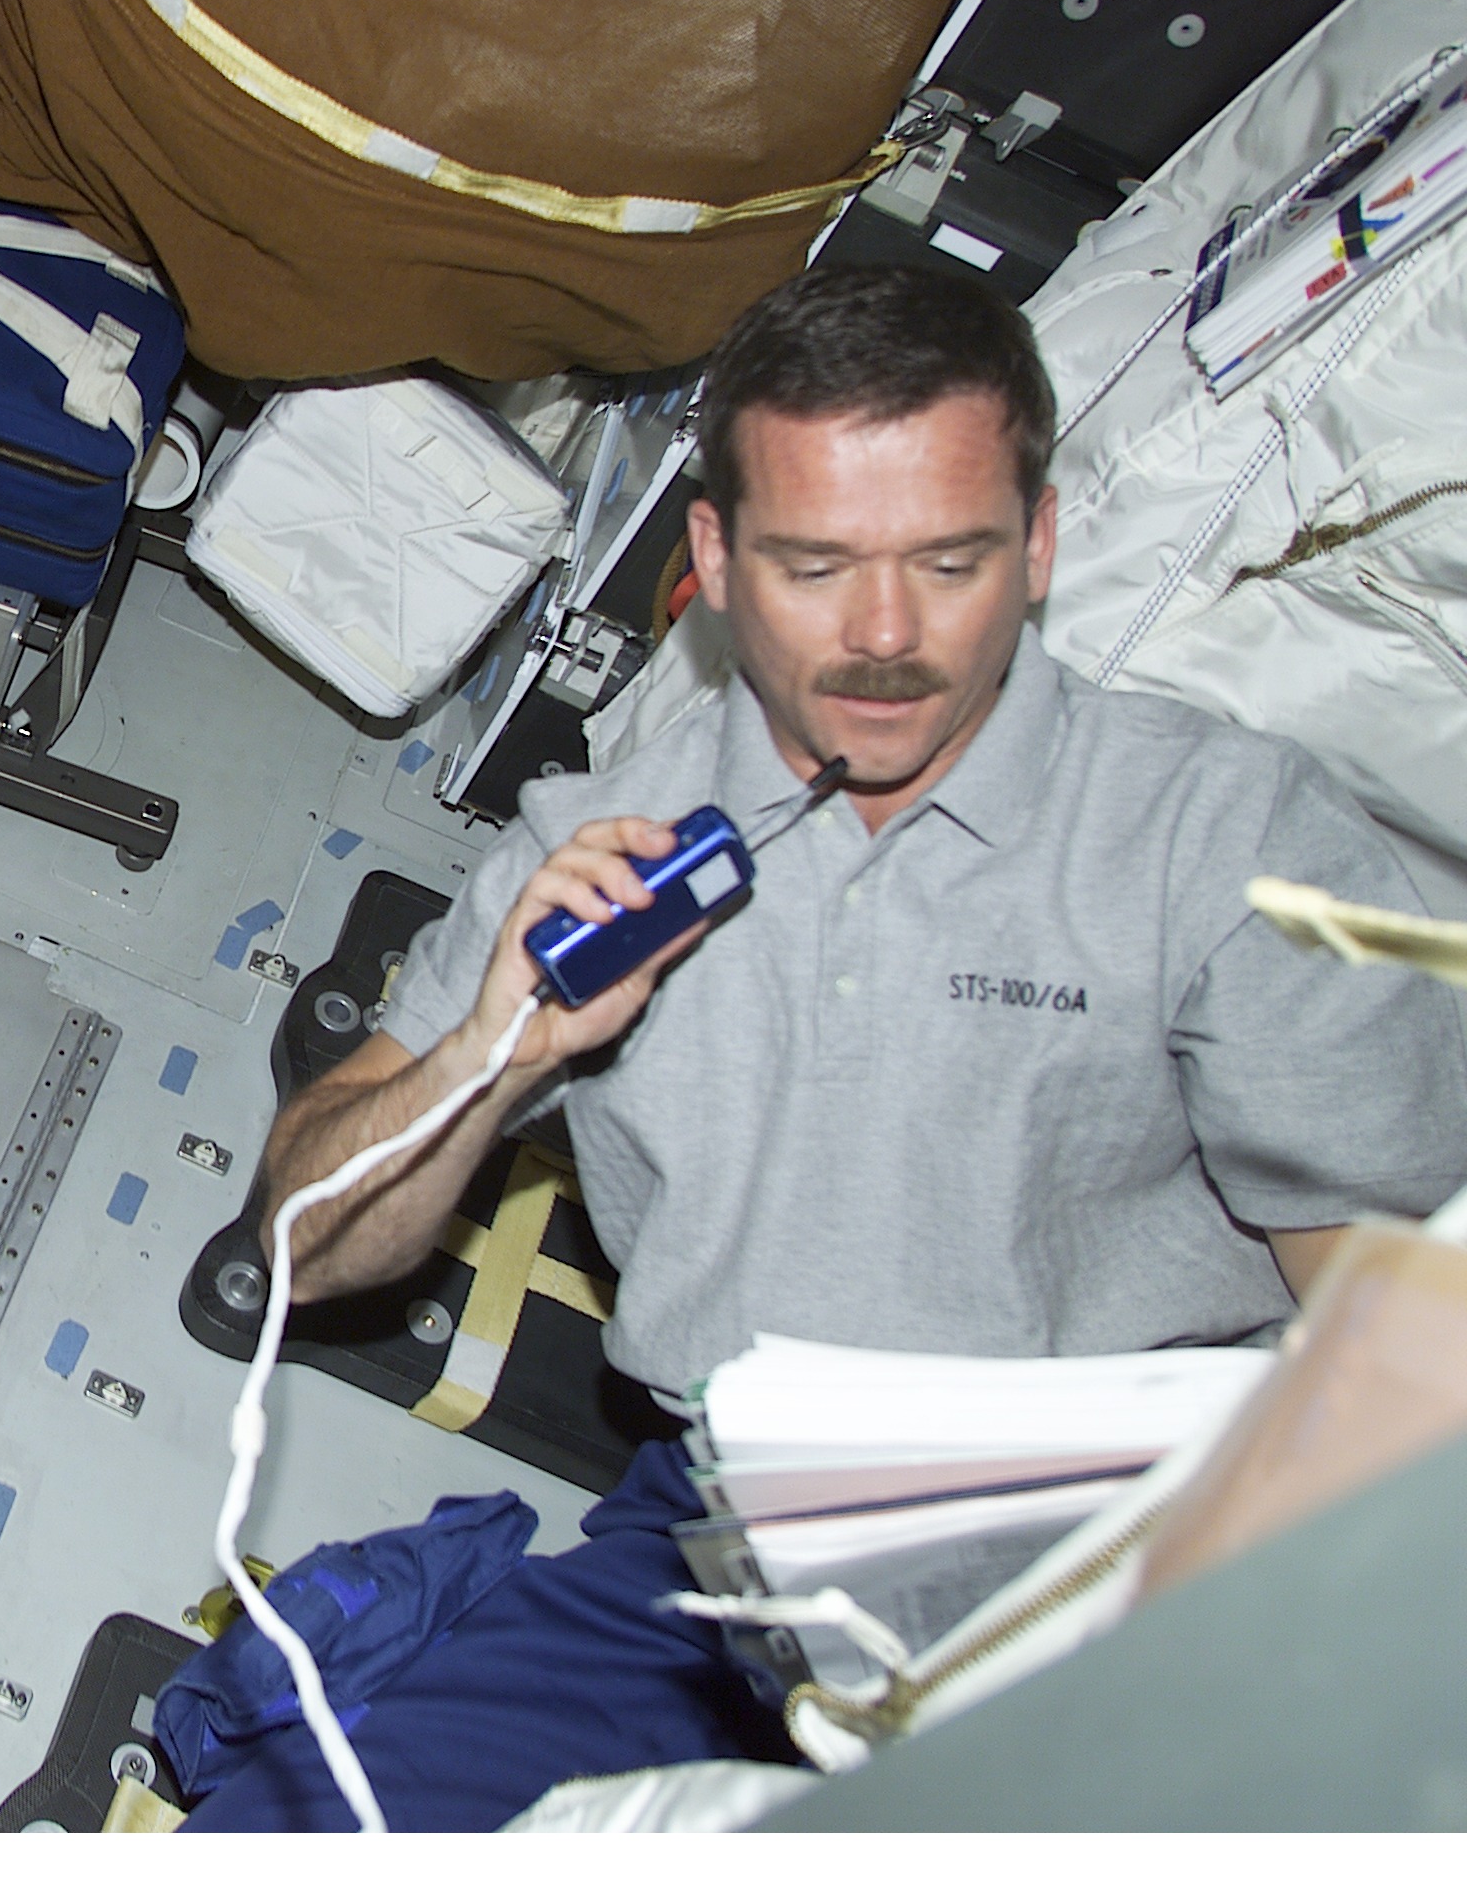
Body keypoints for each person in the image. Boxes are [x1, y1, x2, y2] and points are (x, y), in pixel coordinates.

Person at [171, 264, 1467, 1831]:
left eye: (951, 561)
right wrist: (497, 1051)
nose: (884, 636)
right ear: (713, 558)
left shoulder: (1220, 836)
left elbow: (1401, 1360)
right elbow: (308, 1247)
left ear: (1039, 545)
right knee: (296, 1826)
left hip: (1110, 1560)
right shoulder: (591, 849)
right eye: (815, 564)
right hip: (714, 1564)